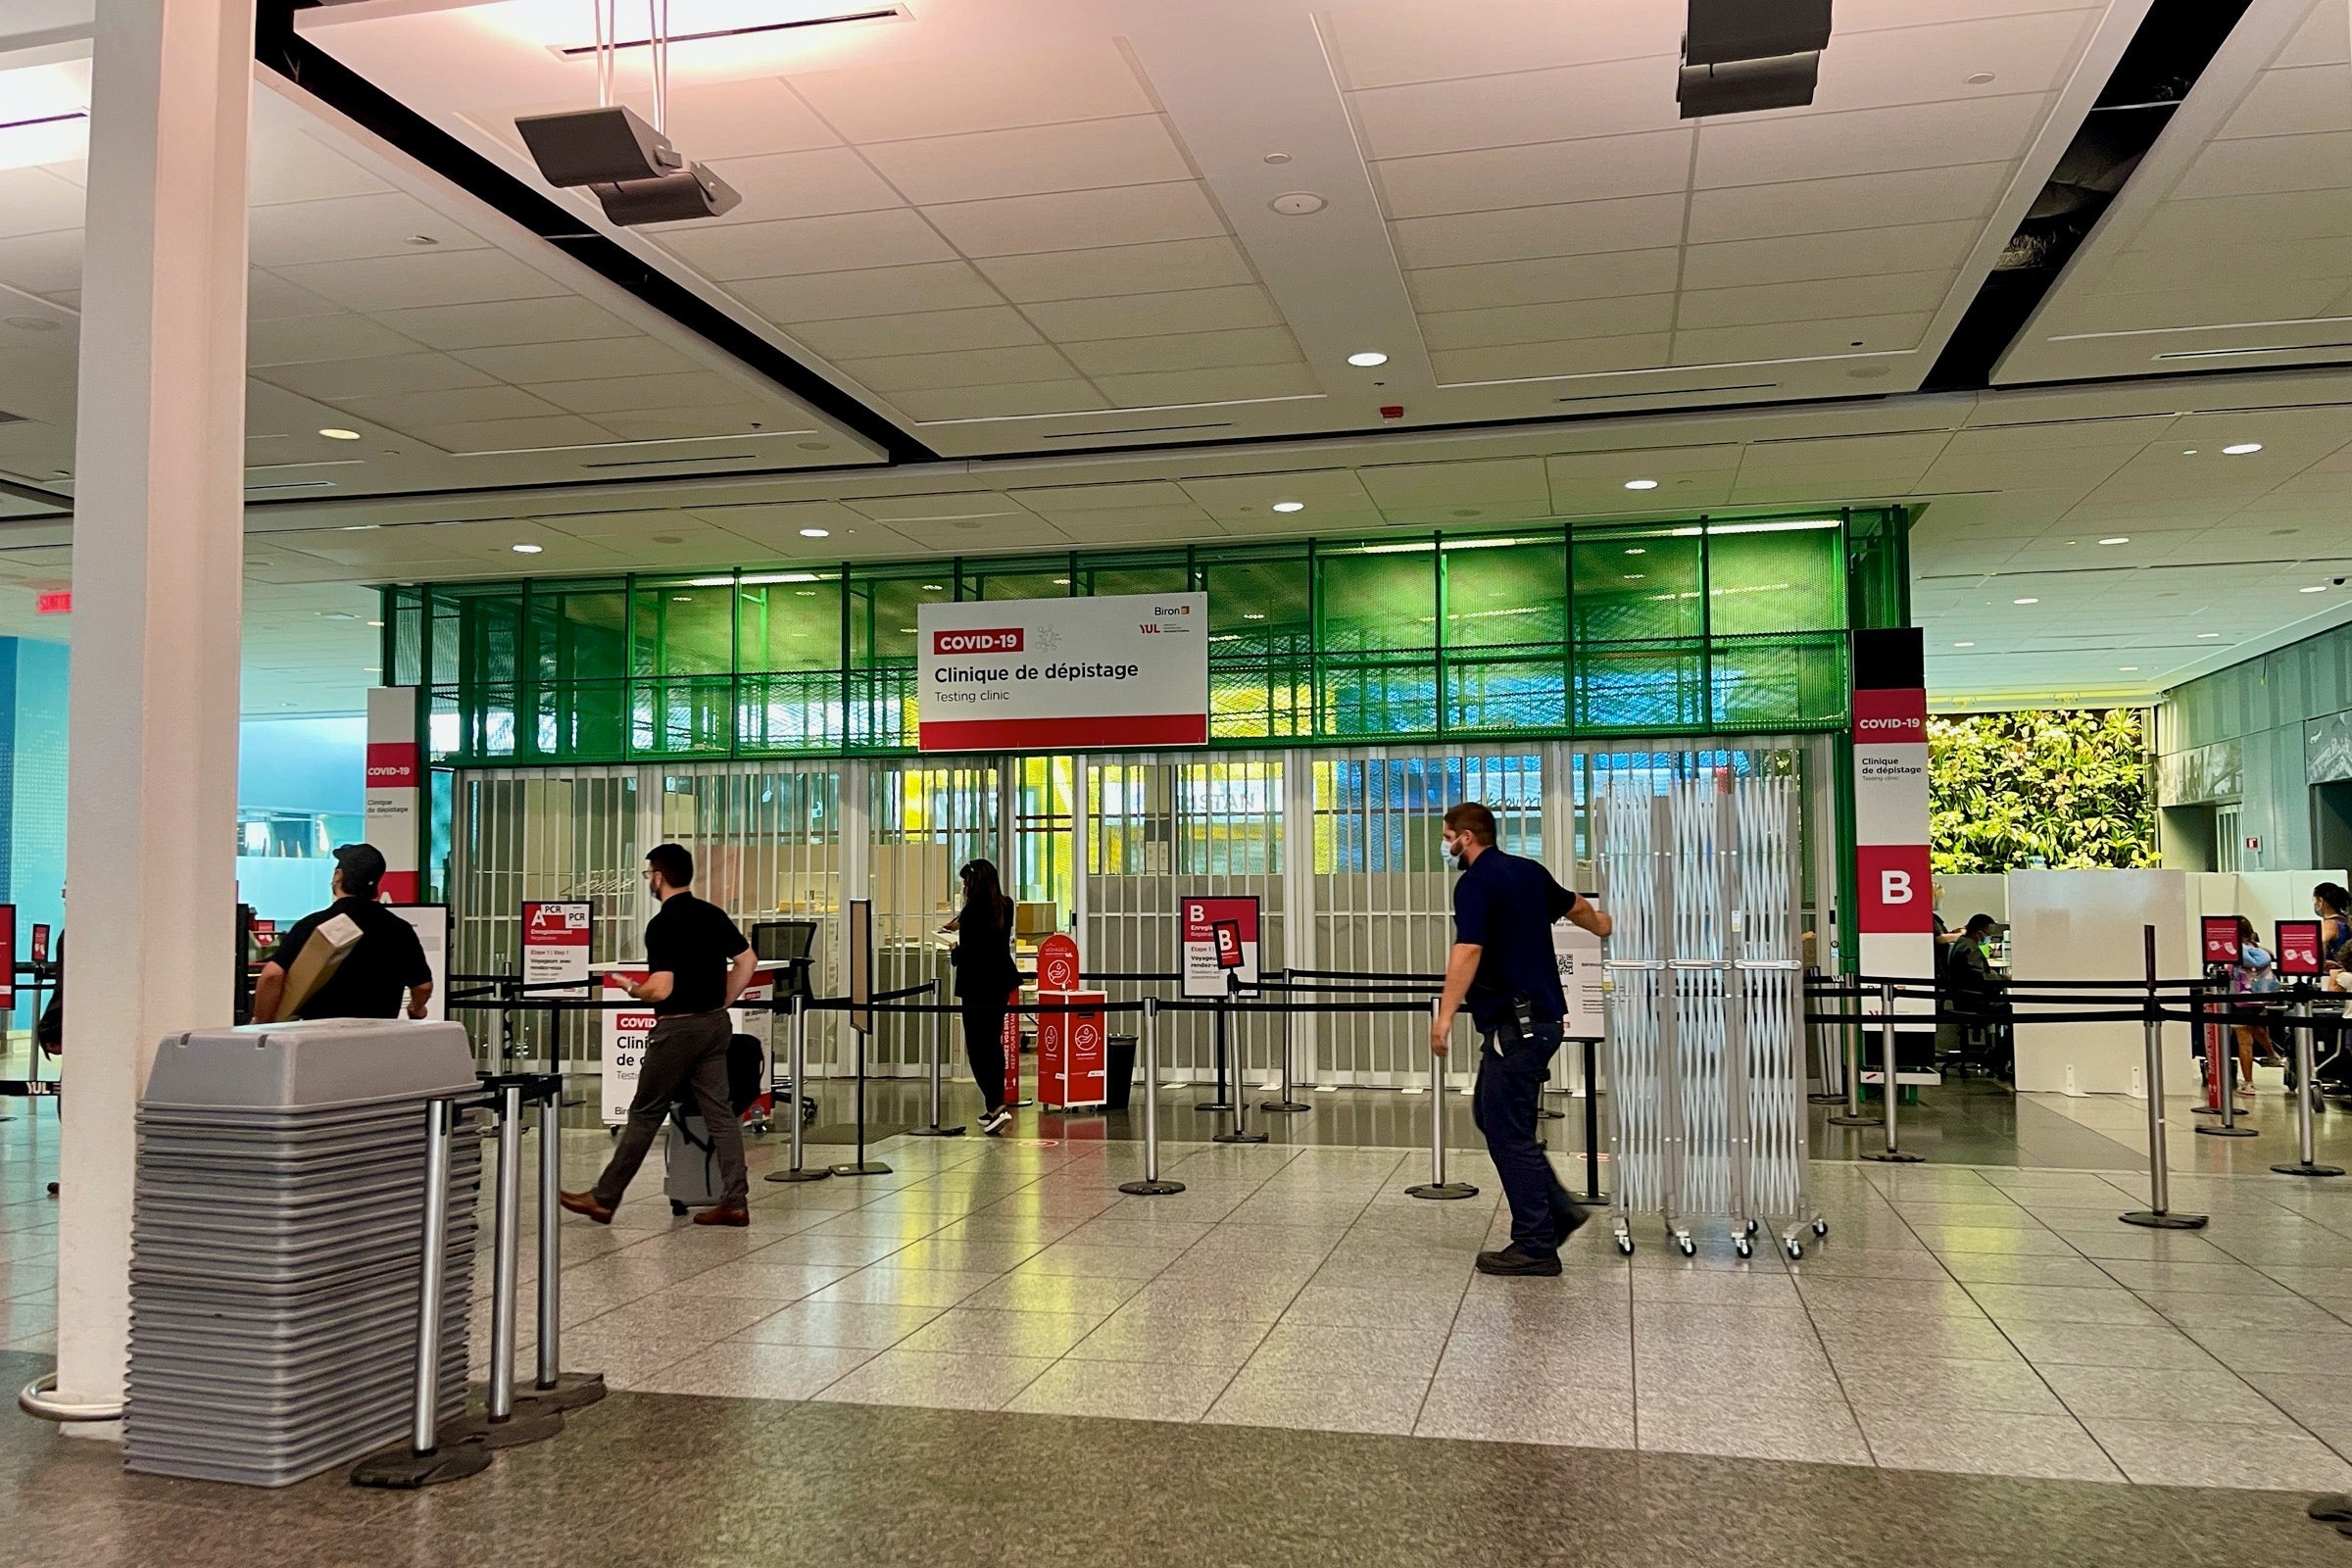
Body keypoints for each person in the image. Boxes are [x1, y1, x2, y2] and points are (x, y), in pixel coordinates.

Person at [1431, 802, 1612, 1278]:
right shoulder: (1529, 871)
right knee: (1489, 1115)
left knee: (1508, 1132)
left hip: (1516, 1025)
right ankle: (1559, 1212)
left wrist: (1444, 1017)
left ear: (1467, 837)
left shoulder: (1475, 883)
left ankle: (1535, 1243)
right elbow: (1575, 905)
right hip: (1540, 1021)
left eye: (1448, 837)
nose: (1446, 846)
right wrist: (1603, 926)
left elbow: (1468, 949)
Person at [563, 843, 758, 1228]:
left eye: (649, 873)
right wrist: (722, 1000)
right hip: (714, 1025)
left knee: (645, 1112)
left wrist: (632, 988)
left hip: (678, 1029)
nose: (649, 880)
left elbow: (661, 988)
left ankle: (603, 1199)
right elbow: (747, 960)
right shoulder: (712, 914)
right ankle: (735, 1202)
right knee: (721, 1115)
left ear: (659, 876)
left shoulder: (663, 924)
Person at [251, 844, 432, 1023]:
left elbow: (272, 976)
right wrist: (416, 1008)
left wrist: (261, 1021)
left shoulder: (313, 924)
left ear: (338, 876)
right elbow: (423, 986)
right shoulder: (399, 929)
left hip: (318, 1034)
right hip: (379, 1034)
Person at [944, 858, 1018, 1136]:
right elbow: (992, 941)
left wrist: (954, 948)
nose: (964, 885)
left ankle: (996, 1106)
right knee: (992, 1042)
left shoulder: (973, 909)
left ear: (974, 882)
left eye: (966, 880)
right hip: (999, 982)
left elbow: (970, 952)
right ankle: (995, 1104)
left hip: (976, 984)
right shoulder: (1005, 905)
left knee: (977, 1047)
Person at [1944, 913, 2011, 1078]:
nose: (1989, 938)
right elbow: (1982, 977)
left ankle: (1995, 1056)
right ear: (1979, 932)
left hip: (1964, 999)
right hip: (1975, 1002)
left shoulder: (1961, 943)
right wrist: (2004, 978)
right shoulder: (1971, 948)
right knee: (2014, 1014)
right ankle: (1997, 1058)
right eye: (1989, 935)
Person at [2228, 916, 2276, 1096]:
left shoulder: (2234, 952)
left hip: (2239, 999)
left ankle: (2248, 1083)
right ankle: (2272, 1055)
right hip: (2259, 997)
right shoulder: (2260, 950)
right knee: (2258, 1028)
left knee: (2244, 1041)